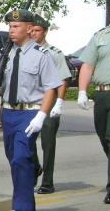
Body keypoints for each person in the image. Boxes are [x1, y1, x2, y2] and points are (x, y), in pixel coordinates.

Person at [0, 9, 61, 211]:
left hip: (29, 113)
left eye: (16, 26)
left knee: (20, 158)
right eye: (10, 27)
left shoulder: (41, 55)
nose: (11, 30)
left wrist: (42, 115)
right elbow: (0, 84)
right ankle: (30, 183)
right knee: (15, 161)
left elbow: (51, 86)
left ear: (29, 28)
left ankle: (21, 206)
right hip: (8, 113)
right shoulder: (5, 54)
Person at [77, 0, 110, 204]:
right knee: (105, 136)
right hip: (102, 94)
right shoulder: (100, 37)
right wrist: (82, 91)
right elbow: (87, 65)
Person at [30, 14, 71, 194]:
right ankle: (34, 167)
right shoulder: (25, 51)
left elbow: (62, 79)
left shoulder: (54, 53)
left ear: (45, 32)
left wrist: (59, 102)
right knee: (26, 141)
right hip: (30, 102)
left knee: (47, 144)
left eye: (37, 31)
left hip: (50, 102)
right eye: (31, 31)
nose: (33, 34)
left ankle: (47, 182)